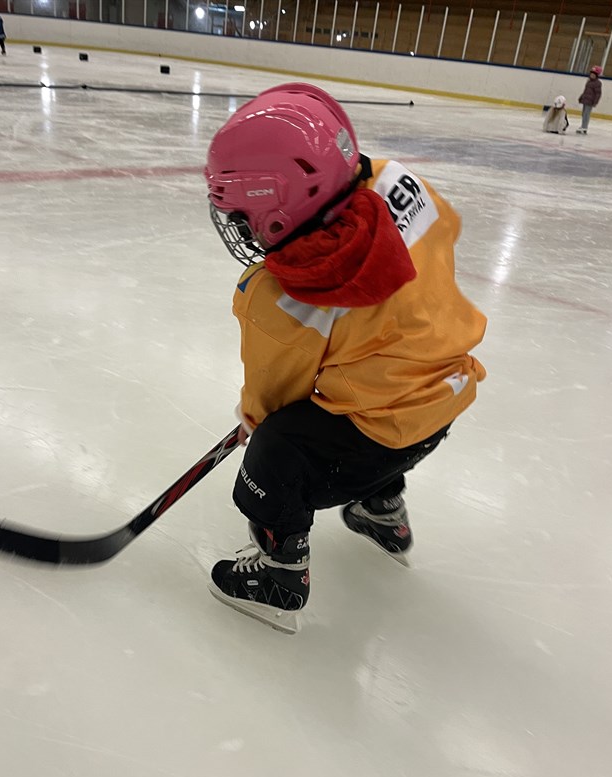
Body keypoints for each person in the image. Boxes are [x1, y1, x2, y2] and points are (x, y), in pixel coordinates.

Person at [204, 83, 488, 633]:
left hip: (380, 438)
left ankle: (280, 577)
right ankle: (383, 513)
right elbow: (447, 228)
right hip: (447, 396)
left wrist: (254, 419)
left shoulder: (280, 295)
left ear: (276, 207)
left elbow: (273, 396)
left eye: (241, 211)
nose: (236, 222)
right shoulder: (394, 182)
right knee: (373, 397)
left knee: (275, 453)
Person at [577, 66, 603, 134]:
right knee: (583, 114)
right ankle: (583, 126)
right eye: (591, 74)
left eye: (594, 74)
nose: (592, 75)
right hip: (585, 100)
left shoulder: (597, 83)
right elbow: (585, 91)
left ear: (597, 75)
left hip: (590, 101)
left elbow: (598, 94)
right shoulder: (588, 81)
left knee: (586, 114)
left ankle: (584, 127)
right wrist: (581, 97)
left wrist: (595, 102)